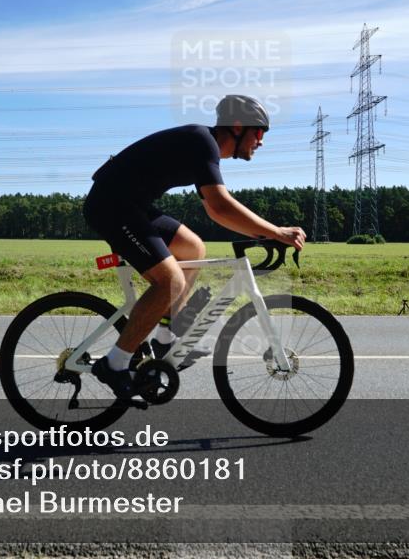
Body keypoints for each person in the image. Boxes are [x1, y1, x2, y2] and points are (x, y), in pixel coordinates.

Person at [82, 94, 306, 402]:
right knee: (170, 281)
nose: (261, 141)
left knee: (193, 249)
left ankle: (164, 337)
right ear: (239, 127)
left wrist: (263, 233)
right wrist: (275, 232)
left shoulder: (203, 143)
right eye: (259, 132)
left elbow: (218, 209)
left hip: (129, 204)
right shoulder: (203, 142)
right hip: (112, 206)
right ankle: (115, 364)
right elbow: (219, 207)